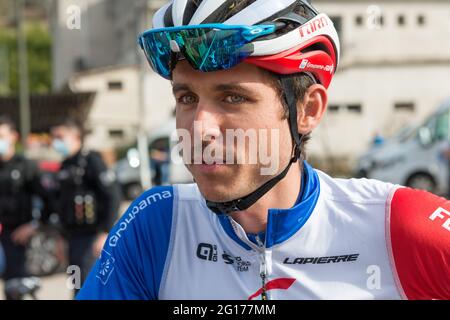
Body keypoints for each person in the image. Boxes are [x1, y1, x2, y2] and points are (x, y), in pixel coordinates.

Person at [78, 0, 449, 300]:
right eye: (187, 97)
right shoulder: (158, 225)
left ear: (308, 110)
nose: (201, 128)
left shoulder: (394, 225)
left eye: (233, 97)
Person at [49, 119, 121, 296]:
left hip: (92, 236)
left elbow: (112, 196)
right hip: (72, 238)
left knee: (89, 286)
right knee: (76, 283)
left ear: (75, 136)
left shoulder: (91, 161)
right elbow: (60, 205)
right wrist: (60, 238)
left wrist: (106, 232)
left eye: (60, 137)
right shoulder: (65, 165)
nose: (55, 142)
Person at [0, 116, 51, 300]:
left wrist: (34, 225)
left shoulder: (26, 166)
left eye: (1, 135)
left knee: (17, 287)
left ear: (13, 136)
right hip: (1, 236)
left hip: (19, 237)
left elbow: (48, 200)